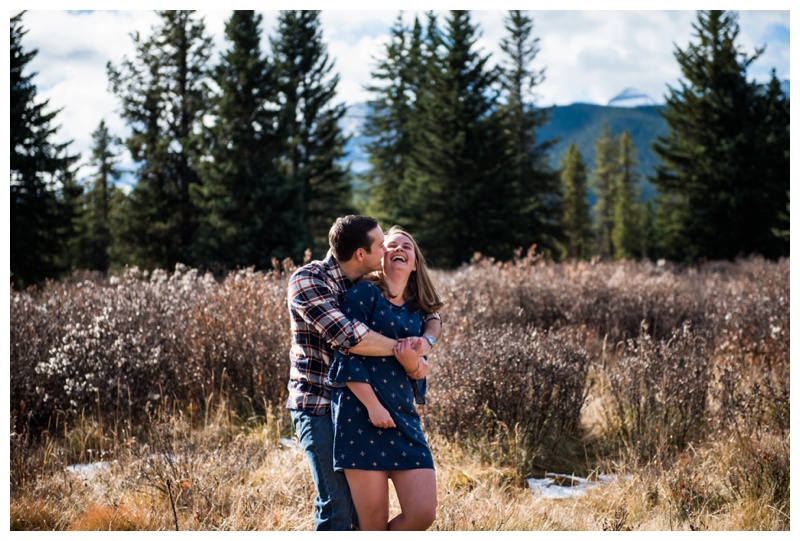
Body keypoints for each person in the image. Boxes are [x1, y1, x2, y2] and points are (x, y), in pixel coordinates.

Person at [286, 216, 442, 531]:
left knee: (365, 516)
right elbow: (349, 339)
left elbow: (426, 309)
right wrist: (406, 351)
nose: (389, 247)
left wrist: (425, 343)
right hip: (317, 403)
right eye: (383, 244)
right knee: (339, 507)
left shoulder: (363, 281)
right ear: (362, 255)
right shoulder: (309, 280)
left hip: (361, 405)